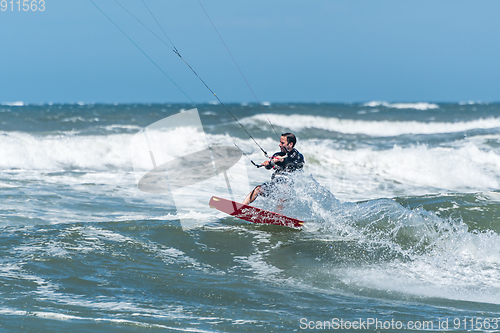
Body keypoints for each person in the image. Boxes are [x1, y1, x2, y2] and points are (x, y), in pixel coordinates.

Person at [242, 132, 304, 205]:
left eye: (282, 143)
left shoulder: (298, 156)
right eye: (280, 142)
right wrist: (267, 164)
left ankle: (277, 214)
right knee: (258, 189)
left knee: (283, 190)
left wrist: (283, 160)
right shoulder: (277, 155)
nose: (279, 145)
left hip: (288, 191)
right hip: (274, 187)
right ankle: (241, 206)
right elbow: (269, 167)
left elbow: (297, 165)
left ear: (290, 144)